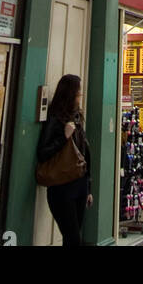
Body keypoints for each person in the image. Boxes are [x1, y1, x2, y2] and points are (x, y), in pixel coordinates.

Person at [36, 73, 92, 247]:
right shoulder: (55, 118)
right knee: (73, 238)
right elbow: (43, 153)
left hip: (79, 185)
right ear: (69, 94)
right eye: (77, 93)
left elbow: (84, 152)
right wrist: (64, 137)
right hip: (61, 187)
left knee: (73, 238)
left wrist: (88, 187)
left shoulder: (77, 117)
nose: (80, 96)